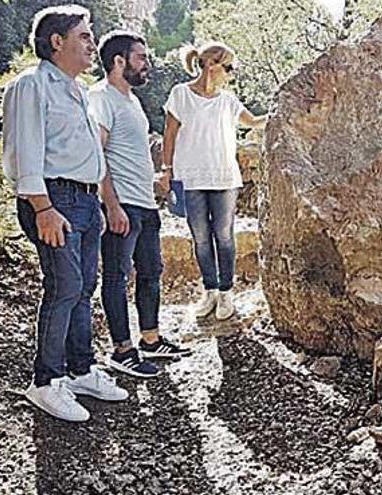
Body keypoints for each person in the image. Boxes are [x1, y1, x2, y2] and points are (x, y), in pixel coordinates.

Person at [2, 5, 128, 423]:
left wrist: (105, 203)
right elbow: (25, 151)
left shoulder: (76, 90)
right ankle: (45, 381)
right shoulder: (32, 85)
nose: (93, 43)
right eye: (85, 36)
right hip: (54, 200)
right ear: (57, 41)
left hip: (85, 201)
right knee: (65, 284)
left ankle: (79, 370)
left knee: (83, 286)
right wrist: (43, 208)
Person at [89, 31, 192, 379]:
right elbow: (97, 154)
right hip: (121, 206)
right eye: (141, 57)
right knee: (117, 277)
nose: (147, 64)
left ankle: (150, 340)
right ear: (119, 61)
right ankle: (122, 350)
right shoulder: (100, 98)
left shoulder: (131, 99)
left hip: (144, 203)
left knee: (151, 271)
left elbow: (128, 154)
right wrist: (112, 205)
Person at [161, 43, 267, 320]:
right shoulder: (180, 94)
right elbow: (169, 135)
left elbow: (254, 122)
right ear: (211, 65)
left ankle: (226, 293)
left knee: (223, 235)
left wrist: (281, 113)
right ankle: (209, 291)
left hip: (224, 178)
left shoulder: (228, 100)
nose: (231, 74)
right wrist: (166, 170)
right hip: (190, 178)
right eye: (229, 67)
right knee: (200, 238)